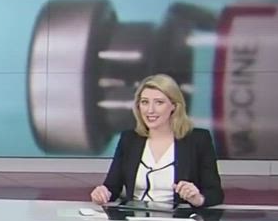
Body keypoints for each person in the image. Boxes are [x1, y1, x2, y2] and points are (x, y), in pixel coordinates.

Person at [90, 74, 224, 208]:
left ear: (174, 106)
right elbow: (112, 187)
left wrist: (198, 198)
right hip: (134, 217)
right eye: (145, 102)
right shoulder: (129, 140)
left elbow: (215, 193)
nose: (150, 110)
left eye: (159, 102)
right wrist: (103, 193)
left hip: (179, 218)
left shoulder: (198, 140)